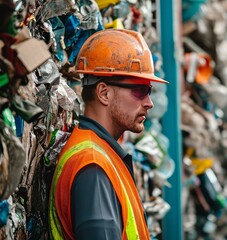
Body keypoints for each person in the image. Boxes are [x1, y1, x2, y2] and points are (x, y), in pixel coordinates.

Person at [48, 29, 168, 240]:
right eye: (140, 91)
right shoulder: (93, 167)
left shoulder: (101, 155)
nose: (149, 103)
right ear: (104, 93)